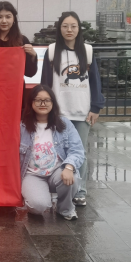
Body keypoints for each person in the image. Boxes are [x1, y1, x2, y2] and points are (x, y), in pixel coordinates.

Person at [41, 11, 106, 207]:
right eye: (65, 26)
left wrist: (95, 108)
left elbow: (95, 82)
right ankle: (58, 188)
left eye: (73, 26)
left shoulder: (87, 51)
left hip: (81, 112)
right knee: (55, 151)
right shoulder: (52, 51)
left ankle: (80, 191)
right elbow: (45, 82)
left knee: (79, 152)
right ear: (59, 29)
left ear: (79, 29)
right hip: (58, 112)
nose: (69, 30)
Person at [20, 85, 85, 221]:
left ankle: (65, 208)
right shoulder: (22, 127)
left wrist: (69, 167)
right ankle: (39, 197)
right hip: (33, 175)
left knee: (71, 177)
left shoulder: (64, 124)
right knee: (38, 206)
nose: (43, 104)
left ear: (53, 103)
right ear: (31, 102)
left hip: (57, 171)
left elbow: (77, 150)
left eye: (47, 100)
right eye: (38, 100)